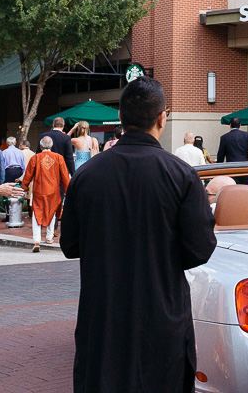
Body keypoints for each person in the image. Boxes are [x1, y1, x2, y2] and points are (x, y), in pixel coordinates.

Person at [61, 76, 216, 393]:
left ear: (120, 117)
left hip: (101, 317)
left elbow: (70, 244)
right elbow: (200, 248)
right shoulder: (181, 175)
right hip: (162, 313)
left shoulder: (86, 175)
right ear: (162, 117)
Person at [23, 133, 72, 253]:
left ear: (40, 146)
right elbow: (65, 176)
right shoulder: (59, 157)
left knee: (37, 214)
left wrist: (24, 187)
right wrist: (68, 190)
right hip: (54, 191)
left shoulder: (35, 158)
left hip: (39, 190)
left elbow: (28, 175)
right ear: (52, 146)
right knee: (53, 212)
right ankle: (49, 237)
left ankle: (37, 240)